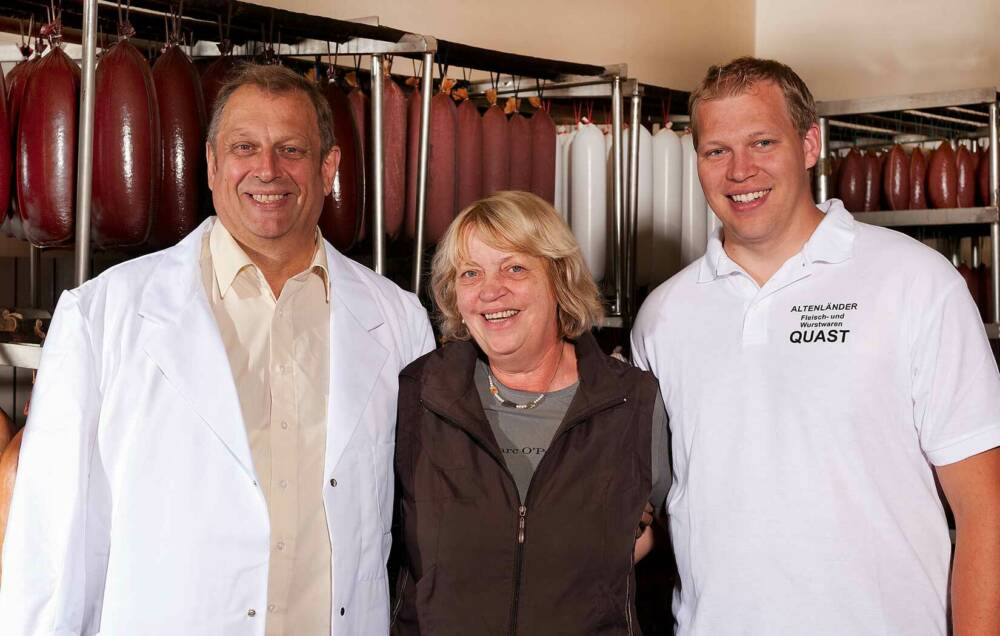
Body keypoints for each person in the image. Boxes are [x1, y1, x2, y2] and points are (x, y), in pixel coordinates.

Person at [0, 64, 434, 635]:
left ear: (329, 168)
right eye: (245, 146)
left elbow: (420, 532)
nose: (267, 169)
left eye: (292, 149)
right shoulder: (100, 315)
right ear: (209, 164)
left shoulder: (399, 320)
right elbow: (50, 543)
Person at [631, 56, 1000, 635]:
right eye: (716, 151)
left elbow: (987, 510)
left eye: (761, 142)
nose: (740, 171)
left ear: (808, 145)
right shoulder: (664, 316)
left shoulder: (915, 283)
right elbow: (650, 506)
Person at [391, 190, 669, 634]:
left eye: (515, 267)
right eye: (470, 273)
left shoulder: (633, 404)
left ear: (559, 278)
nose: (490, 291)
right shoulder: (417, 397)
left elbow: (667, 545)